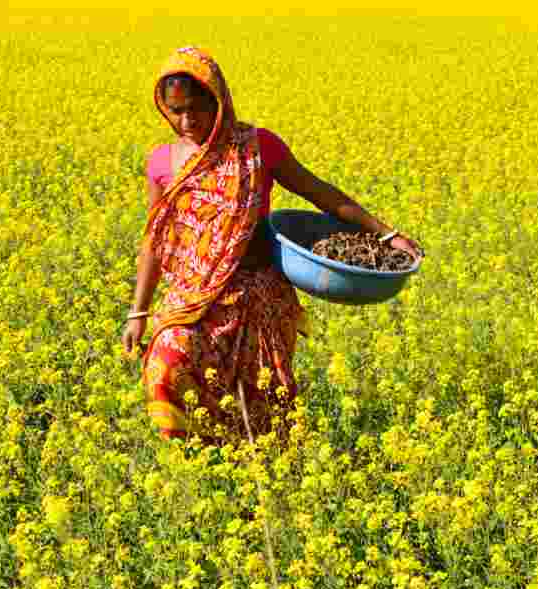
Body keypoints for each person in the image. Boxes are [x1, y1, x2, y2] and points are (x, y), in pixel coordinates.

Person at [121, 46, 424, 443]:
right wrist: (139, 311)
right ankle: (197, 466)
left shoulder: (257, 146)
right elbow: (155, 241)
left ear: (219, 100)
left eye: (196, 107)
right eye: (176, 110)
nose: (187, 120)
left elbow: (322, 194)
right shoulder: (162, 162)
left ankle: (263, 481)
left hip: (256, 295)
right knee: (165, 365)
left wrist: (385, 234)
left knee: (260, 402)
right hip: (193, 298)